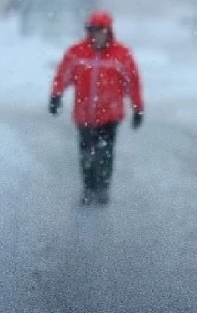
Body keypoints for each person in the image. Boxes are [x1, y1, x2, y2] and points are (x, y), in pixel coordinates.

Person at [49, 10, 144, 205]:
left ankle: (103, 187)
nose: (96, 34)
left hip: (110, 115)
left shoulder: (121, 54)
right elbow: (63, 75)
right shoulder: (77, 52)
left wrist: (137, 108)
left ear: (108, 31)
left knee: (105, 153)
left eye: (100, 30)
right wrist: (56, 95)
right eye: (92, 30)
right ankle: (89, 187)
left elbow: (132, 82)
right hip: (84, 114)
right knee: (86, 154)